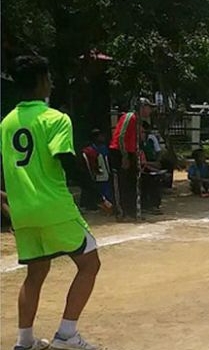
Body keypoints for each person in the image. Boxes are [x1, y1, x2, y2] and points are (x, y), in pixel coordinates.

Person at [1, 55, 102, 350]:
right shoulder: (55, 118)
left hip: (22, 211)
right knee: (90, 263)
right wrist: (97, 194)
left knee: (35, 272)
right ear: (42, 81)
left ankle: (24, 341)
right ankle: (67, 334)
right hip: (53, 206)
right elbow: (66, 161)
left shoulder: (6, 123)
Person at [108, 97, 155, 221]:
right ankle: (121, 213)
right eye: (148, 107)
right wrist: (124, 156)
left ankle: (132, 212)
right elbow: (121, 137)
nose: (150, 111)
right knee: (121, 183)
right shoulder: (130, 117)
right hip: (120, 151)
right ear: (142, 107)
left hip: (130, 152)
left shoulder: (139, 121)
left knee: (132, 182)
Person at [79, 129, 112, 211]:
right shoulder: (89, 150)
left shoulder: (104, 148)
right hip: (96, 175)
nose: (103, 137)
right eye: (100, 136)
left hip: (105, 173)